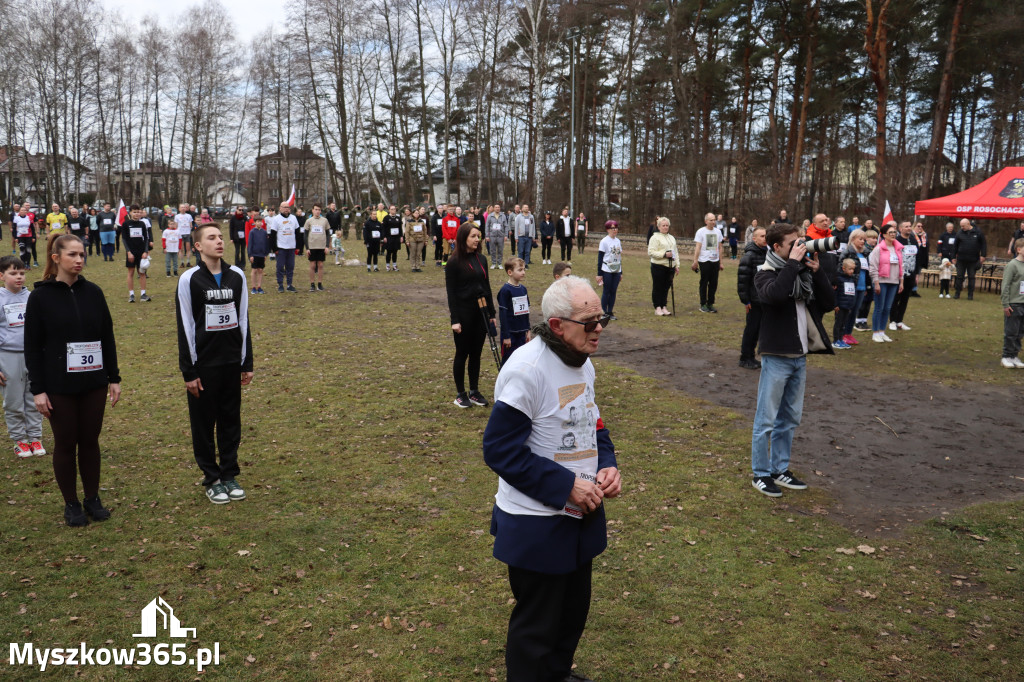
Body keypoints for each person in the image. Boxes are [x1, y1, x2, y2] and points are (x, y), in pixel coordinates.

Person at [481, 275, 620, 682]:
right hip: (537, 523)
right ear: (557, 325)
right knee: (536, 627)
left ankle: (557, 674)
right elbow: (499, 450)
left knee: (572, 614)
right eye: (589, 322)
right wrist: (565, 487)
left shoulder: (583, 362)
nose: (599, 330)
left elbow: (592, 422)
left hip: (581, 515)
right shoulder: (527, 369)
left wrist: (606, 464)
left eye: (603, 319)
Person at [25, 233, 121, 526]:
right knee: (66, 442)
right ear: (56, 259)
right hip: (59, 386)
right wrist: (38, 391)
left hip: (93, 382)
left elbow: (107, 336)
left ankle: (92, 498)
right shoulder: (40, 297)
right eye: (73, 255)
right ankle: (72, 503)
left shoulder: (93, 292)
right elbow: (32, 346)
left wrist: (113, 377)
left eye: (82, 255)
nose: (79, 260)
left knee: (90, 440)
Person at [750, 222, 834, 497]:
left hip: (800, 357)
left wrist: (817, 271)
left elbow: (829, 302)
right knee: (766, 419)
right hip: (776, 357)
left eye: (801, 242)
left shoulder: (800, 274)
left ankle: (779, 468)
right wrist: (791, 266)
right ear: (776, 247)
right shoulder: (765, 273)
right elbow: (774, 296)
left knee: (790, 418)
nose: (799, 248)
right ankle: (761, 474)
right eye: (792, 244)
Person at [175, 223, 254, 505]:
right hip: (203, 365)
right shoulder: (189, 279)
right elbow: (184, 326)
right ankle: (212, 478)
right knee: (204, 423)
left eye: (221, 237)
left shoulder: (237, 277)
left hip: (231, 362)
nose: (219, 241)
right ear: (198, 246)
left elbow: (243, 319)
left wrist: (247, 361)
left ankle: (229, 473)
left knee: (231, 421)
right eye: (212, 238)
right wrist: (189, 370)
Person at [445, 222, 496, 408]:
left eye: (478, 236)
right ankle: (461, 394)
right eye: (473, 236)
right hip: (464, 313)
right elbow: (451, 294)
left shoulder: (482, 259)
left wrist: (491, 313)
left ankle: (474, 391)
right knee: (462, 353)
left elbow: (487, 287)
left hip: (480, 313)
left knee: (476, 353)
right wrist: (455, 320)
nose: (477, 239)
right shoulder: (453, 262)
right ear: (463, 238)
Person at [0, 256, 44, 457]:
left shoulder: (33, 298)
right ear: (2, 276)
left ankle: (35, 437)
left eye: (21, 273)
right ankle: (20, 440)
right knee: (13, 401)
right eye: (13, 273)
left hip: (33, 356)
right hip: (8, 357)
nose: (18, 277)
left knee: (35, 397)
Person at [737, 224, 768, 369]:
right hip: (753, 300)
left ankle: (751, 357)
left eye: (766, 236)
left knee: (758, 329)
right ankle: (745, 357)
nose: (765, 238)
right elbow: (743, 281)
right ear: (754, 239)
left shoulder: (768, 254)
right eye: (762, 236)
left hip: (764, 298)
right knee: (751, 329)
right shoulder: (749, 256)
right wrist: (746, 300)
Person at [868, 224, 903, 343]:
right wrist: (876, 283)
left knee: (887, 308)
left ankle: (882, 331)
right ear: (884, 235)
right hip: (881, 282)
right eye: (890, 232)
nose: (893, 234)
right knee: (879, 307)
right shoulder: (878, 249)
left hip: (894, 282)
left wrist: (901, 281)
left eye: (894, 232)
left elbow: (901, 266)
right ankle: (875, 332)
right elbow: (873, 267)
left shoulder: (897, 248)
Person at [837, 229, 869, 345]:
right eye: (860, 239)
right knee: (847, 311)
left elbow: (866, 271)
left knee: (855, 311)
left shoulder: (865, 253)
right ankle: (842, 334)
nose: (862, 242)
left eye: (864, 240)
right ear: (853, 239)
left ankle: (848, 334)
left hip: (861, 286)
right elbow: (840, 268)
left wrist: (866, 286)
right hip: (850, 286)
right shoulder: (847, 252)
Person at [888, 221, 921, 332]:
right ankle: (892, 321)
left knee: (905, 298)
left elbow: (918, 258)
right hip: (899, 275)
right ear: (900, 229)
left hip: (911, 275)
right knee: (895, 298)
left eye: (909, 226)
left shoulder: (913, 240)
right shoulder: (896, 241)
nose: (908, 228)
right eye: (906, 227)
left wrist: (916, 273)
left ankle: (899, 321)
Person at [497, 257, 530, 362]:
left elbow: (526, 311)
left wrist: (528, 330)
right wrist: (506, 336)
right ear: (510, 272)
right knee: (508, 361)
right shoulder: (505, 290)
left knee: (520, 360)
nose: (523, 272)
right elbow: (503, 314)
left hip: (521, 333)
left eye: (524, 269)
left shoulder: (523, 289)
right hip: (510, 334)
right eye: (520, 270)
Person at [691, 212, 726, 313]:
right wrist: (695, 261)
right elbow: (698, 247)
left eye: (714, 220)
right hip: (704, 260)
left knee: (714, 283)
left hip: (715, 261)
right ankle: (703, 304)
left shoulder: (718, 232)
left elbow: (720, 247)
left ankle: (710, 303)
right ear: (706, 221)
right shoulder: (701, 231)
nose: (713, 222)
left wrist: (721, 262)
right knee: (704, 282)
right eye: (711, 220)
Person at [999, 237, 1024, 368]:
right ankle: (1006, 356)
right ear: (1019, 250)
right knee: (1011, 332)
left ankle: (1014, 356)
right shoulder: (1012, 265)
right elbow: (1006, 285)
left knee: (1020, 332)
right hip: (1014, 304)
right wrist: (1006, 304)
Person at [122, 205, 153, 303]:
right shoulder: (126, 224)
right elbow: (124, 239)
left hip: (141, 252)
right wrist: (128, 252)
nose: (137, 214)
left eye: (138, 212)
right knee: (131, 272)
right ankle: (131, 295)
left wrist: (145, 251)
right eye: (134, 212)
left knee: (142, 273)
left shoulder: (142, 224)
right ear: (130, 213)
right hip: (131, 252)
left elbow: (146, 238)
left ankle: (143, 294)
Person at [648, 216, 678, 316]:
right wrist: (664, 254)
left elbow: (676, 252)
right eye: (663, 225)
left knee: (666, 287)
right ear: (659, 226)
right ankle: (657, 307)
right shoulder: (654, 237)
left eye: (667, 225)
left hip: (670, 266)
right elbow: (651, 252)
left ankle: (664, 306)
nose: (665, 227)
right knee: (658, 287)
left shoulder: (672, 238)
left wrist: (676, 265)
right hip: (658, 266)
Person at [952, 218, 986, 300]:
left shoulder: (978, 232)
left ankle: (970, 295)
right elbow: (955, 246)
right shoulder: (959, 233)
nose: (962, 228)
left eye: (963, 226)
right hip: (961, 259)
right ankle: (957, 294)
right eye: (961, 226)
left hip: (973, 260)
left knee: (971, 277)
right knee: (959, 276)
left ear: (968, 224)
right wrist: (953, 257)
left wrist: (983, 255)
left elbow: (983, 244)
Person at [268, 202, 299, 292]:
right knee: (280, 267)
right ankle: (280, 285)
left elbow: (297, 233)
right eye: (284, 207)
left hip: (291, 247)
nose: (286, 209)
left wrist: (298, 247)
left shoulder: (293, 218)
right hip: (281, 248)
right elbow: (272, 235)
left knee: (290, 267)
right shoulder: (276, 219)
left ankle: (289, 285)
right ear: (280, 208)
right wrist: (275, 249)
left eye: (288, 207)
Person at [596, 219, 623, 319]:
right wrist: (599, 273)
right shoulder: (604, 241)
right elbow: (600, 258)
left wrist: (621, 272)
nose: (615, 230)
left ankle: (610, 311)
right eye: (612, 228)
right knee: (606, 291)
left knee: (613, 291)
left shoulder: (618, 241)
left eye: (616, 228)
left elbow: (619, 256)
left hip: (616, 269)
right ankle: (603, 312)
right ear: (607, 229)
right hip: (606, 269)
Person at [832, 259, 858, 349]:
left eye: (853, 269)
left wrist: (851, 305)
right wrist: (835, 305)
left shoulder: (852, 280)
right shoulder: (839, 279)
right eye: (850, 269)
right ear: (844, 268)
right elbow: (835, 293)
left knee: (843, 324)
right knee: (838, 324)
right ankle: (835, 341)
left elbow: (852, 294)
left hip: (847, 306)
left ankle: (841, 339)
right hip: (840, 307)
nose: (852, 271)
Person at [247, 218, 269, 294]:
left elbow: (266, 243)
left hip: (262, 255)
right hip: (254, 254)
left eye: (261, 222)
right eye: (258, 222)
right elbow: (250, 244)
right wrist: (250, 255)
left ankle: (259, 287)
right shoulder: (252, 232)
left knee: (260, 270)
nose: (260, 223)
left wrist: (265, 254)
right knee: (254, 270)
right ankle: (253, 287)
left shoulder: (264, 232)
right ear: (255, 222)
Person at [381, 205, 403, 272]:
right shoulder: (386, 218)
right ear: (389, 210)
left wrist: (401, 236)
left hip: (396, 237)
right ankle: (387, 265)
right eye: (392, 209)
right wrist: (384, 237)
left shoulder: (398, 218)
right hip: (389, 237)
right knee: (389, 252)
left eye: (394, 209)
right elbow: (383, 228)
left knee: (395, 252)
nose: (393, 210)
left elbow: (400, 228)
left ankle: (394, 265)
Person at [405, 208, 427, 272]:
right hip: (412, 239)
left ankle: (418, 266)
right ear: (413, 214)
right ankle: (413, 266)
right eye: (415, 213)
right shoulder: (409, 221)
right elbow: (407, 232)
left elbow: (425, 231)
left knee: (418, 254)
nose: (416, 214)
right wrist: (407, 240)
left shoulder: (422, 221)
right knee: (413, 253)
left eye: (417, 213)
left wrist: (426, 240)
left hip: (420, 240)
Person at [485, 204, 506, 269]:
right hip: (492, 236)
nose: (497, 208)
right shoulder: (490, 216)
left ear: (500, 208)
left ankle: (499, 263)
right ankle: (493, 263)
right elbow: (487, 226)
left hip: (500, 236)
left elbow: (506, 226)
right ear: (494, 208)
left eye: (498, 207)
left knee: (500, 250)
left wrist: (506, 235)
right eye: (496, 207)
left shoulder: (503, 216)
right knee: (492, 250)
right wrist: (487, 236)